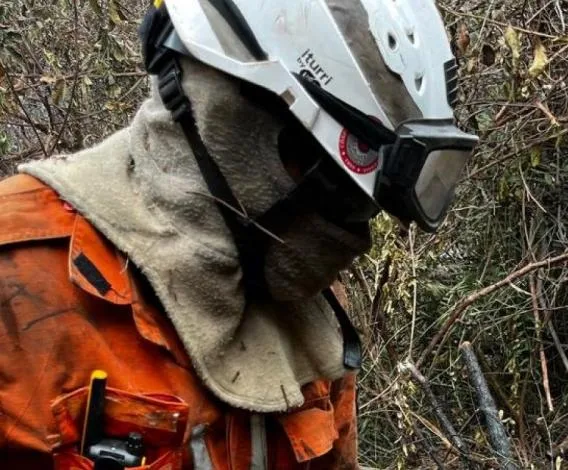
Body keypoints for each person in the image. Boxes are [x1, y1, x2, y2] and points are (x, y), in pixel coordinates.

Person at [0, 0, 477, 467]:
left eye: (367, 207)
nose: (350, 239)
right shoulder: (19, 274)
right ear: (235, 119)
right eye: (342, 196)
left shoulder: (312, 320)